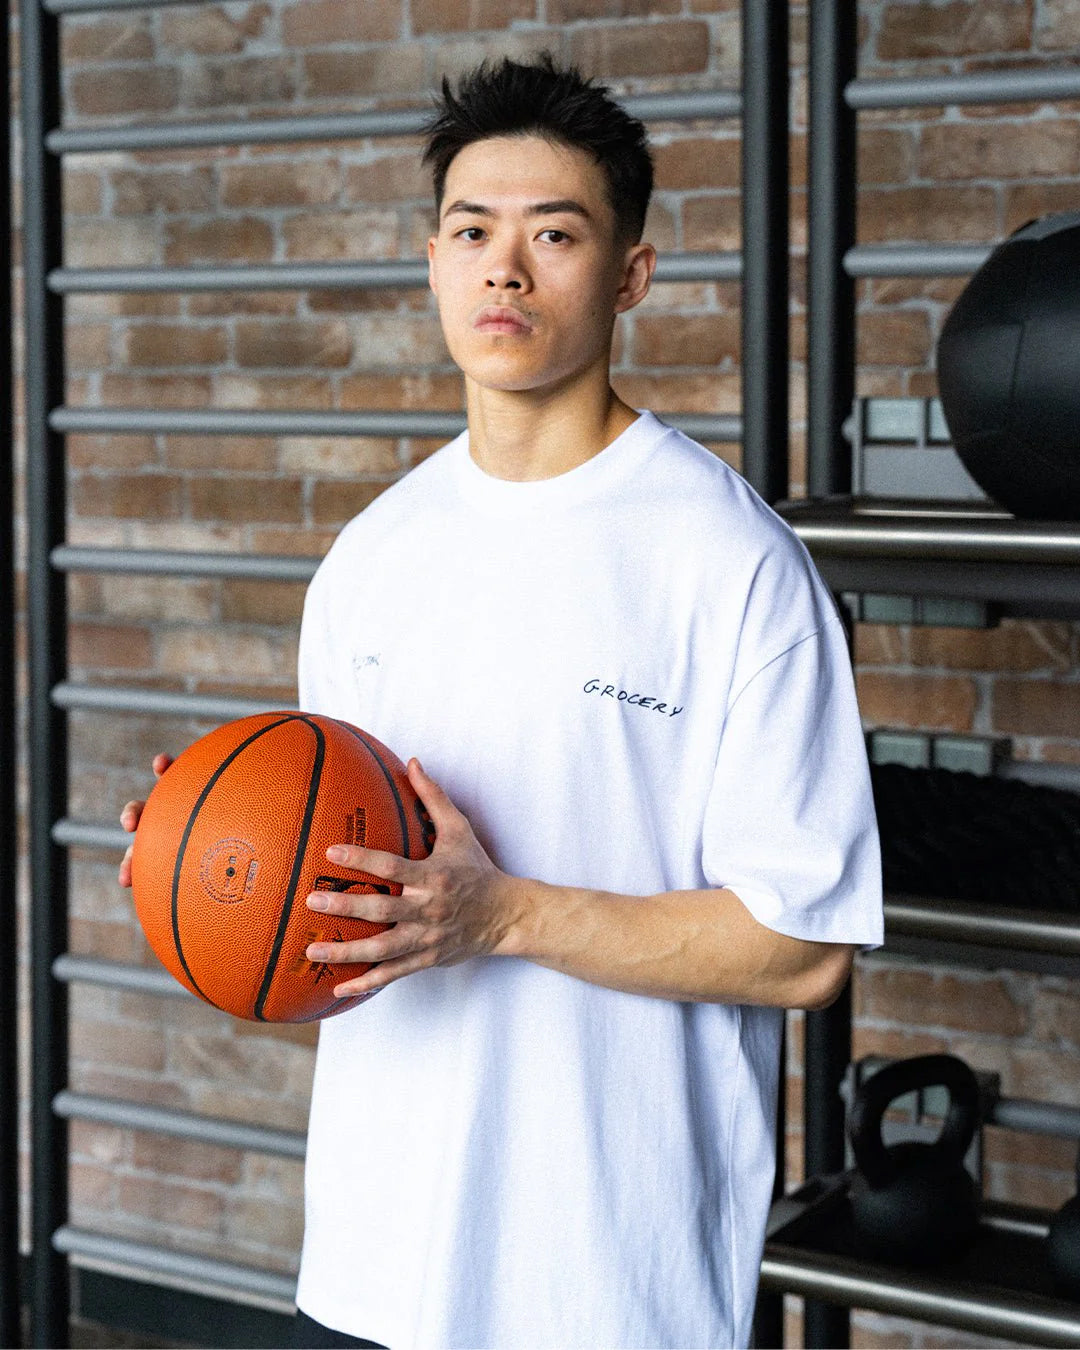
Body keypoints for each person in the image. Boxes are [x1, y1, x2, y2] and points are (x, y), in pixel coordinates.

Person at [122, 55, 882, 1350]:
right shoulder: (372, 555)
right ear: (432, 261)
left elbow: (803, 947)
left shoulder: (730, 560)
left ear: (631, 275)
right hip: (372, 1269)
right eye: (473, 230)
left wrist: (505, 913)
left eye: (556, 233)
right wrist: (216, 865)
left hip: (609, 1289)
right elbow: (340, 900)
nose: (506, 268)